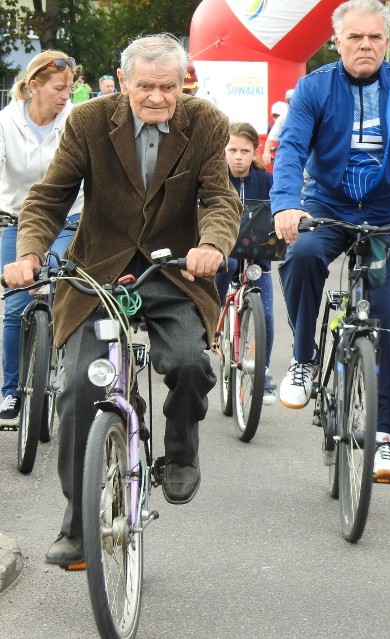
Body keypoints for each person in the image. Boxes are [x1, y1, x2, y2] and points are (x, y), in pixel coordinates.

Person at [3, 33, 241, 568]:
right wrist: (29, 252)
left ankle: (180, 448)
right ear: (124, 82)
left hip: (174, 270)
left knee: (186, 361)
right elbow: (49, 196)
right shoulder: (88, 121)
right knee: (77, 392)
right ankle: (78, 525)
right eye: (145, 87)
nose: (158, 97)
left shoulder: (205, 122)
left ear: (184, 84)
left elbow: (219, 196)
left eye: (168, 87)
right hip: (99, 271)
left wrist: (211, 244)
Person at [271, 0, 390, 482]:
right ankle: (304, 361)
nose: (365, 45)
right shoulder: (314, 87)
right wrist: (286, 203)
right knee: (304, 256)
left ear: (386, 42)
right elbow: (291, 147)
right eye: (355, 37)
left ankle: (388, 436)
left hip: (386, 212)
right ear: (338, 42)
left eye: (374, 37)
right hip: (327, 207)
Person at [0, 51, 83, 427]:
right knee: (17, 304)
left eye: (71, 87)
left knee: (65, 284)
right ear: (34, 86)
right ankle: (10, 391)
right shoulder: (5, 123)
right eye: (59, 87)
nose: (67, 95)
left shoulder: (76, 122)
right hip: (16, 219)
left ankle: (63, 373)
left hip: (69, 220)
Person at [216, 122, 278, 404]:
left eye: (244, 150)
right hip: (224, 250)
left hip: (257, 254)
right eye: (232, 150)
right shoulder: (215, 177)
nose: (238, 156)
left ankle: (261, 371)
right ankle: (214, 314)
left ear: (255, 151)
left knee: (265, 316)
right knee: (223, 268)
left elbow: (280, 208)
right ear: (223, 151)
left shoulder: (266, 181)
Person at [261, 95, 292, 167]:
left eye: (279, 115)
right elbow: (270, 140)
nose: (277, 119)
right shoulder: (271, 127)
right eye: (275, 116)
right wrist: (267, 153)